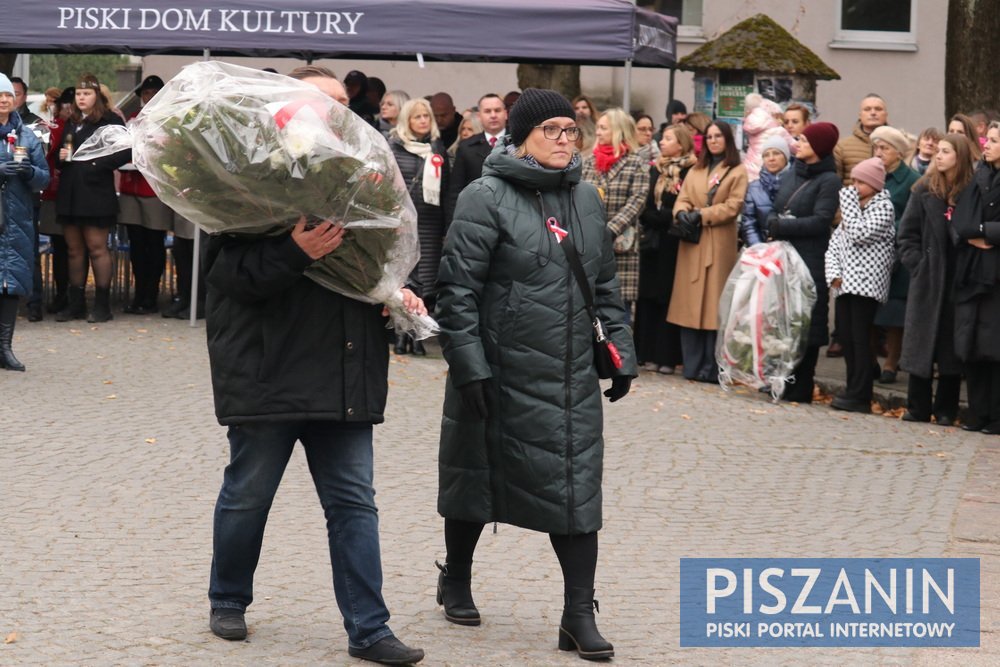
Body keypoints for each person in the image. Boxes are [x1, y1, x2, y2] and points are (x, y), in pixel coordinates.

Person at [204, 64, 425, 666]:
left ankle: (369, 629)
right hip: (269, 366)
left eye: (340, 103)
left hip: (345, 366)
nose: (334, 112)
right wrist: (292, 252)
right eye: (319, 101)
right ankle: (228, 597)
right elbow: (227, 280)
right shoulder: (250, 180)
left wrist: (394, 293)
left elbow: (375, 267)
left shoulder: (365, 180)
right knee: (249, 494)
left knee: (355, 502)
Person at [434, 87, 635, 661]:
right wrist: (469, 366)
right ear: (520, 136)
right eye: (550, 130)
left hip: (569, 374)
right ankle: (457, 577)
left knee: (575, 486)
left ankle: (577, 615)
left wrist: (621, 352)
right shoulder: (484, 196)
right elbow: (457, 292)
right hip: (498, 368)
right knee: (476, 474)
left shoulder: (587, 199)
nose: (564, 140)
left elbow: (601, 286)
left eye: (570, 130)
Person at [897, 134, 976, 426]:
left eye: (946, 151)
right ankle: (917, 406)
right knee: (921, 342)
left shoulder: (972, 192)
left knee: (951, 346)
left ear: (960, 156)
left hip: (960, 277)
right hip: (929, 278)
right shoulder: (923, 190)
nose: (938, 156)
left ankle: (946, 409)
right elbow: (906, 236)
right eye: (937, 151)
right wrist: (919, 265)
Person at [766, 122, 842, 402]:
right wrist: (772, 222)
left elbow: (821, 221)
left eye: (804, 141)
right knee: (784, 320)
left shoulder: (829, 181)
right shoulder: (793, 173)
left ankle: (801, 386)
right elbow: (777, 208)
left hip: (809, 261)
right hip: (783, 259)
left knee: (807, 324)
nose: (798, 144)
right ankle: (781, 380)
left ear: (819, 147)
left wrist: (782, 226)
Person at [668, 120, 749, 383]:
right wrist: (682, 213)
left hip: (718, 242)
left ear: (727, 139)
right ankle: (691, 365)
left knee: (714, 307)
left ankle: (712, 367)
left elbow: (733, 205)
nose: (713, 140)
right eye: (710, 136)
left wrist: (702, 215)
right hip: (692, 244)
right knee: (689, 306)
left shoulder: (736, 171)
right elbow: (682, 198)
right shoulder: (696, 169)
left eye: (718, 136)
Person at [54, 74, 130, 323]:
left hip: (95, 192)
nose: (81, 98)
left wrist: (97, 164)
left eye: (86, 94)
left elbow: (125, 150)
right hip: (70, 191)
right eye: (78, 94)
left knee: (97, 248)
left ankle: (102, 305)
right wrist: (61, 157)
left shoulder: (109, 120)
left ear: (97, 95)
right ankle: (76, 304)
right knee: (74, 250)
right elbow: (60, 155)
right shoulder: (71, 120)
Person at [825, 158, 896, 413]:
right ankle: (851, 387)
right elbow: (834, 245)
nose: (853, 187)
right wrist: (834, 275)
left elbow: (859, 234)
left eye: (860, 182)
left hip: (866, 285)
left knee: (860, 338)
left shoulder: (883, 207)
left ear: (874, 184)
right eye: (852, 181)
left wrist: (848, 203)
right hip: (844, 284)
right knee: (845, 335)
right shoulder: (853, 208)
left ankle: (861, 393)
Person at [950, 121, 1000, 433]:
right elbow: (959, 222)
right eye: (988, 139)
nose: (987, 144)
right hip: (972, 272)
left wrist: (984, 231)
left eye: (995, 140)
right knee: (972, 344)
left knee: (995, 347)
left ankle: (996, 416)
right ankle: (978, 412)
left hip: (995, 276)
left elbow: (974, 226)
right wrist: (977, 232)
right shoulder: (978, 176)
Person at [389, 97, 449, 355]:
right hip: (401, 223)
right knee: (403, 278)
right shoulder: (394, 147)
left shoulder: (437, 148)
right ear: (407, 121)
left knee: (424, 280)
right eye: (417, 117)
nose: (423, 121)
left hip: (429, 223)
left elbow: (445, 189)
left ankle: (417, 333)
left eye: (427, 116)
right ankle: (401, 332)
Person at [635, 124, 695, 374]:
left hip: (673, 241)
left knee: (666, 296)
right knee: (646, 296)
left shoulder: (690, 169)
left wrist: (664, 216)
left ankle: (665, 355)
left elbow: (685, 204)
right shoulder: (655, 169)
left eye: (668, 139)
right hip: (651, 241)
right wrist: (655, 216)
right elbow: (645, 203)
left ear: (681, 144)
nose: (661, 142)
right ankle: (643, 352)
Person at [0, 73, 50, 371]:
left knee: (10, 283)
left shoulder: (27, 136)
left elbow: (44, 178)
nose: (4, 100)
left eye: (7, 95)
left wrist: (28, 172)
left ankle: (4, 348)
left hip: (16, 220)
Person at [581, 107, 650, 316]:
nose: (598, 132)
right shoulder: (589, 162)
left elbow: (637, 201)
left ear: (618, 131)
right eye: (598, 128)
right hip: (591, 243)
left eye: (603, 128)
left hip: (620, 246)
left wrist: (610, 230)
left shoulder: (635, 163)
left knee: (620, 311)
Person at [870, 125, 920, 384]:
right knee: (869, 310)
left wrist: (887, 229)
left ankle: (891, 362)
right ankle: (870, 363)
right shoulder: (872, 175)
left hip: (898, 254)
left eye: (884, 148)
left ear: (899, 153)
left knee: (893, 312)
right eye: (876, 147)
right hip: (871, 252)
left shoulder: (911, 180)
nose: (878, 153)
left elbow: (911, 217)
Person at [119, 75, 170, 315]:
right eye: (145, 93)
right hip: (131, 186)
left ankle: (152, 293)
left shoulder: (168, 119)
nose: (148, 97)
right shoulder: (133, 120)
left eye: (152, 92)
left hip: (154, 190)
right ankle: (139, 292)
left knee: (155, 244)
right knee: (137, 245)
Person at [445, 93, 508, 224]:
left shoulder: (520, 144)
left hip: (512, 217)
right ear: (479, 116)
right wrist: (451, 226)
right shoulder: (466, 147)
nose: (493, 115)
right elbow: (456, 191)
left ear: (506, 114)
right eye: (487, 111)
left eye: (497, 110)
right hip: (477, 218)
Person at [741, 135, 790, 247]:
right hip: (763, 252)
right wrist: (759, 249)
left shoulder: (797, 184)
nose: (771, 158)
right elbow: (749, 224)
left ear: (786, 157)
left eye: (776, 153)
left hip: (793, 252)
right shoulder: (753, 188)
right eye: (766, 155)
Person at [834, 94, 888, 186]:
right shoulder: (842, 146)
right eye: (867, 109)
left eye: (878, 109)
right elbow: (835, 183)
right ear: (860, 115)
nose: (873, 113)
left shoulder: (898, 146)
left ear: (886, 115)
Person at [742, 94, 793, 182]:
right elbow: (795, 147)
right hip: (766, 171)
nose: (783, 122)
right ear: (772, 115)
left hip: (748, 170)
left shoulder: (753, 129)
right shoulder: (780, 131)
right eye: (780, 117)